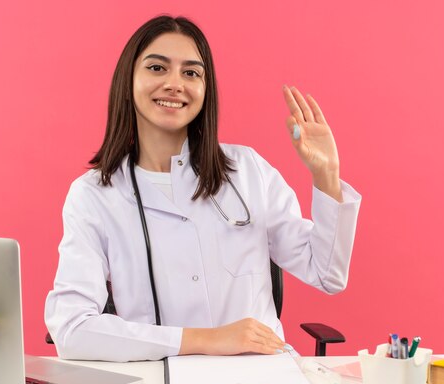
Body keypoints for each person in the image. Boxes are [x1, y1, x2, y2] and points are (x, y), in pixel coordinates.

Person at [45, 15, 361, 362]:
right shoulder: (94, 195)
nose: (175, 84)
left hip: (263, 383)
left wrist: (326, 174)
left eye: (191, 73)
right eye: (157, 68)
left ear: (205, 88)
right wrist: (206, 340)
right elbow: (71, 330)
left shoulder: (248, 171)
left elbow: (327, 273)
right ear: (128, 79)